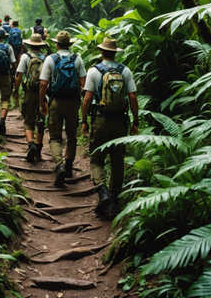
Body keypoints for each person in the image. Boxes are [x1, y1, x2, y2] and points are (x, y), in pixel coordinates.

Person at [81, 38, 139, 216]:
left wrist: (84, 120)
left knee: (97, 160)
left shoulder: (94, 71)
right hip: (120, 122)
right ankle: (114, 202)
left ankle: (102, 191)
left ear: (102, 52)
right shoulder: (125, 71)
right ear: (116, 52)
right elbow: (133, 98)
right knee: (117, 162)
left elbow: (87, 98)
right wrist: (135, 121)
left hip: (100, 120)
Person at [39, 30, 86, 187]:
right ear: (70, 44)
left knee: (55, 136)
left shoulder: (50, 59)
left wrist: (41, 103)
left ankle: (59, 165)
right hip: (72, 102)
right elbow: (84, 85)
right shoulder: (77, 59)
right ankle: (69, 165)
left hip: (56, 102)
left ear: (57, 44)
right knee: (71, 136)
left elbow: (43, 84)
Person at [14, 33, 48, 162]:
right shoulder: (46, 58)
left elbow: (19, 76)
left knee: (28, 121)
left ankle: (31, 144)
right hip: (43, 93)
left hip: (29, 92)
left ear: (29, 45)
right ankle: (39, 148)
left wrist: (16, 90)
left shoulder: (25, 57)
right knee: (41, 120)